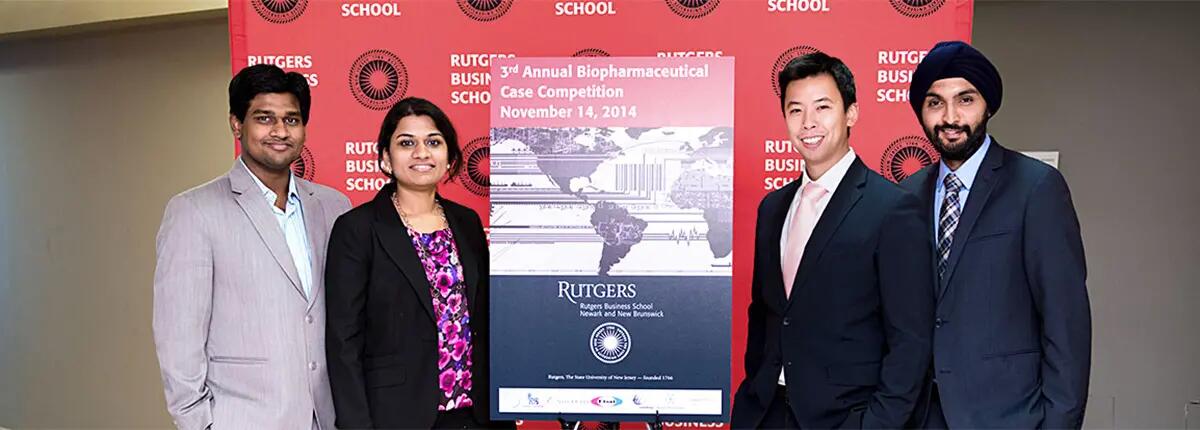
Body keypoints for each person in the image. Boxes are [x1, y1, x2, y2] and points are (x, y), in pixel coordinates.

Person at [731, 52, 934, 429]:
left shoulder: (892, 209)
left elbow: (911, 340)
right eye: (795, 110)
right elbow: (765, 314)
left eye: (822, 107)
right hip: (766, 413)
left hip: (845, 418)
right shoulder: (772, 208)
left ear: (851, 113)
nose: (808, 123)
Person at [901, 40, 1091, 429]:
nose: (950, 117)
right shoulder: (906, 196)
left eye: (965, 100)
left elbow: (1066, 324)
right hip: (920, 417)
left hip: (1009, 418)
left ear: (988, 105)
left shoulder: (1036, 188)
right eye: (935, 102)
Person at [153, 64, 351, 429]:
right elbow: (179, 340)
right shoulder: (194, 211)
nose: (280, 131)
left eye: (291, 120)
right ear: (236, 124)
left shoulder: (334, 206)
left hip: (326, 419)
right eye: (265, 118)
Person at [324, 97, 509, 429]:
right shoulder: (357, 229)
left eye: (433, 142)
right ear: (385, 157)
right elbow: (343, 342)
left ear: (449, 158)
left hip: (475, 415)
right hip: (397, 415)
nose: (421, 152)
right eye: (406, 143)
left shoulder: (467, 223)